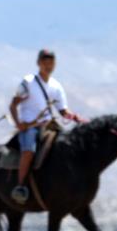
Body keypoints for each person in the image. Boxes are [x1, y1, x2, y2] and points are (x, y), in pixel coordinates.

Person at [8, 49, 79, 204]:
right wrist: (19, 123)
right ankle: (20, 186)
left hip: (50, 125)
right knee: (29, 151)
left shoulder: (56, 86)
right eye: (45, 62)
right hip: (31, 126)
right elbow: (13, 105)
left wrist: (75, 117)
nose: (48, 66)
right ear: (38, 63)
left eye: (51, 63)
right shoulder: (28, 82)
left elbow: (63, 110)